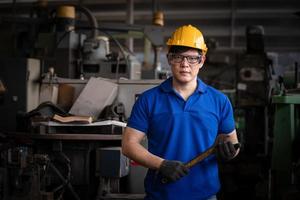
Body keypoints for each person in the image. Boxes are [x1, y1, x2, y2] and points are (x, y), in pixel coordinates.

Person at [122, 24, 240, 200]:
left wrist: (231, 152)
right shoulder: (149, 100)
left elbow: (233, 144)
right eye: (178, 57)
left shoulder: (219, 101)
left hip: (205, 195)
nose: (185, 64)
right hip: (161, 194)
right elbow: (129, 145)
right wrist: (162, 165)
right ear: (169, 59)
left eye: (192, 58)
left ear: (202, 61)